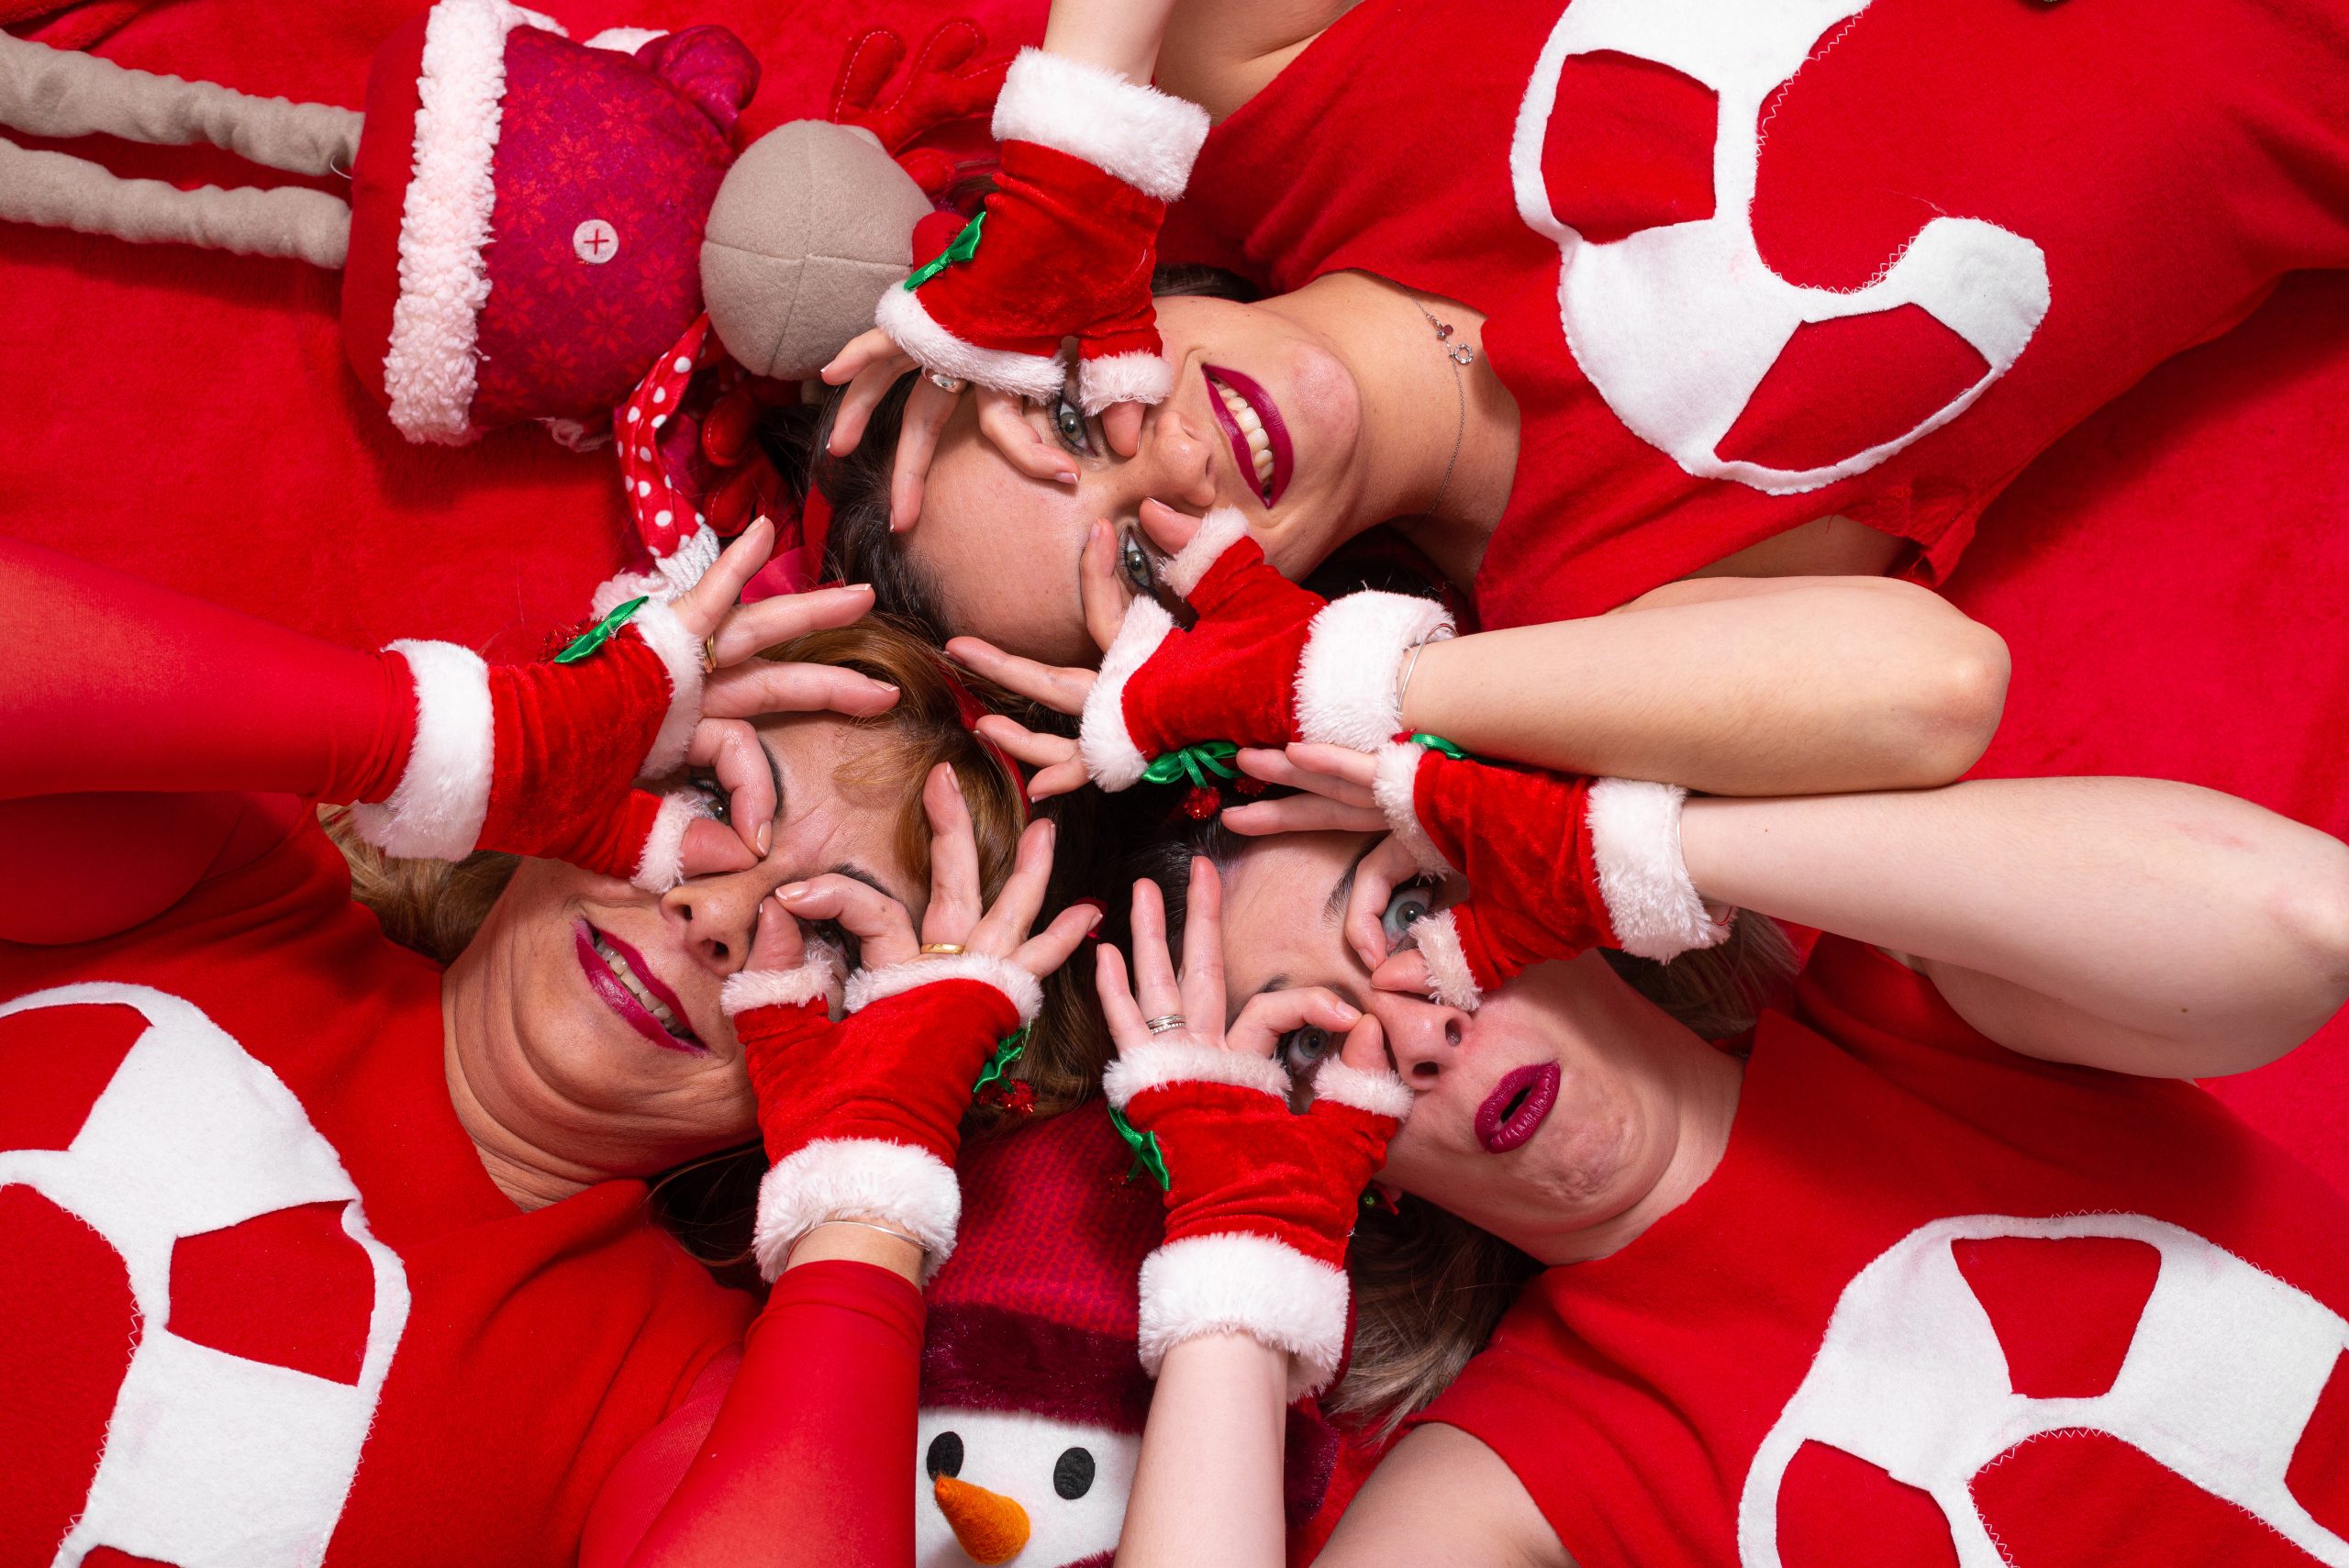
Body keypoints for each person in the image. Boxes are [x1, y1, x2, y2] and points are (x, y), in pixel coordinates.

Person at [0, 524, 1091, 1566]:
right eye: (708, 792)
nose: (715, 914)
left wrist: (872, 1175)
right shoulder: (235, 885)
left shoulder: (676, 1389)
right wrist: (454, 739)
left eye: (827, 934)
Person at [1090, 737, 2349, 1566]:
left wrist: (1632, 848)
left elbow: (2308, 921)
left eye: (1414, 908)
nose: (1422, 1027)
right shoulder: (1511, 1473)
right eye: (1309, 1052)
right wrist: (1243, 1247)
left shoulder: (1913, 1003)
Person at [803, 0, 2349, 675]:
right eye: (1135, 573)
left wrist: (1070, 185)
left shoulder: (1270, 90)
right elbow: (1931, 688)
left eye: (1079, 419)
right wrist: (1345, 696)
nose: (1172, 475)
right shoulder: (1600, 606)